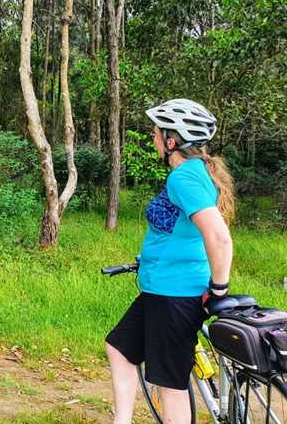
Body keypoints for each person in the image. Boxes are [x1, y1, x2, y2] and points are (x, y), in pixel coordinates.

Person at [106, 99, 235, 424]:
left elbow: (218, 237)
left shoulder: (185, 178)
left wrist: (218, 290)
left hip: (175, 295)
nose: (152, 137)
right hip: (160, 289)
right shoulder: (190, 173)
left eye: (156, 133)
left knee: (169, 384)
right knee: (119, 348)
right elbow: (182, 231)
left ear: (172, 141)